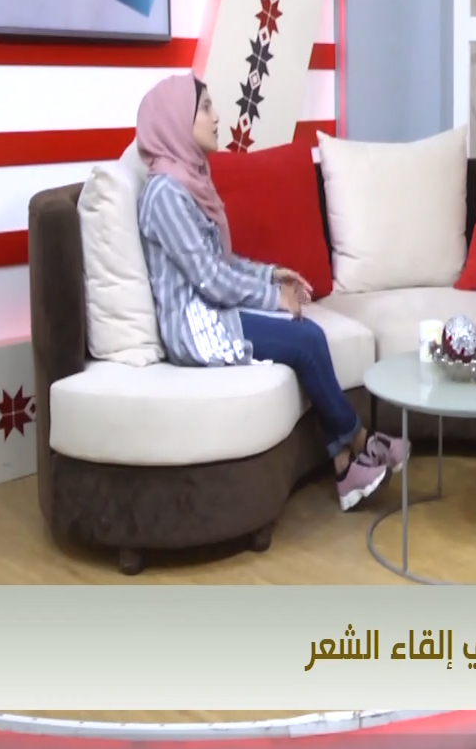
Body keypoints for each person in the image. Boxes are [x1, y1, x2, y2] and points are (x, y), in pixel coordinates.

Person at [134, 72, 406, 510]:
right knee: (306, 338)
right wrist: (272, 298)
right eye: (205, 107)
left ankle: (344, 468)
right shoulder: (165, 194)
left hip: (214, 311)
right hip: (195, 327)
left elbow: (224, 263)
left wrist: (272, 275)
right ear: (175, 121)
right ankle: (360, 440)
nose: (217, 117)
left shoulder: (190, 181)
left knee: (305, 332)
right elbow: (209, 278)